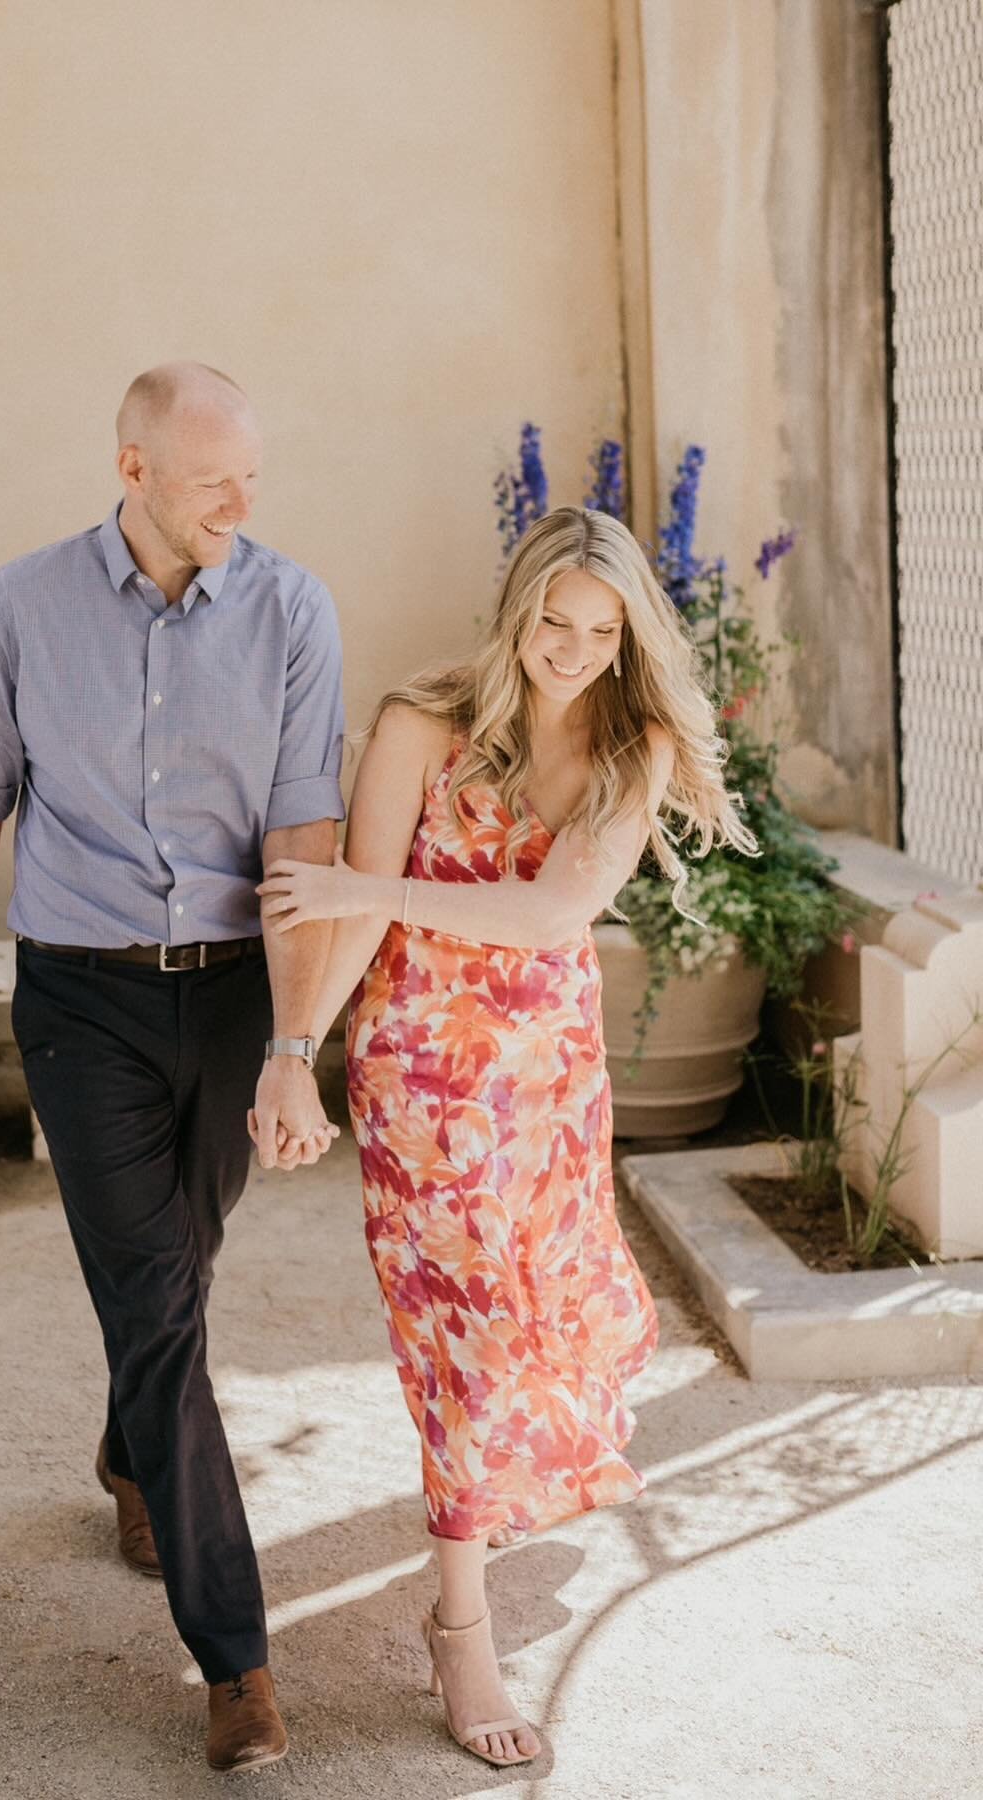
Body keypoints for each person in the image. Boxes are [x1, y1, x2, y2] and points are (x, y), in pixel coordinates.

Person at [259, 505, 756, 1770]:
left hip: (547, 1078)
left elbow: (548, 915)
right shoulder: (421, 723)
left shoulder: (632, 746)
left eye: (602, 629)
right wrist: (289, 1057)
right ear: (516, 608)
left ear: (628, 632)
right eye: (555, 622)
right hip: (422, 1080)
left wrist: (369, 887)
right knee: (466, 1340)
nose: (575, 648)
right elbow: (356, 934)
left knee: (549, 1306)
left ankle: (479, 1530)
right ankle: (461, 1624)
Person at [0, 362, 344, 1774]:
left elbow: (301, 847)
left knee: (179, 1264)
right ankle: (235, 1657)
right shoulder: (22, 608)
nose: (242, 500)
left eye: (251, 477)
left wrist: (293, 1046)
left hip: (230, 1001)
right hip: (80, 1008)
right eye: (214, 476)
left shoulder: (290, 611)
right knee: (160, 1301)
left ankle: (127, 1456)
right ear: (133, 469)